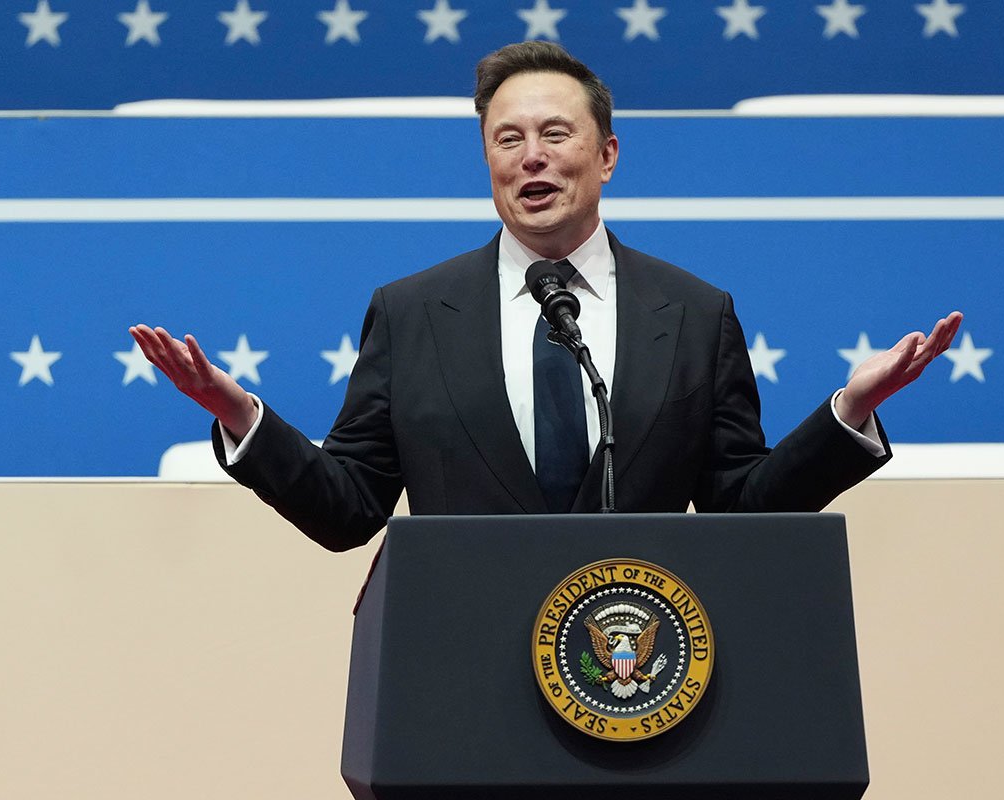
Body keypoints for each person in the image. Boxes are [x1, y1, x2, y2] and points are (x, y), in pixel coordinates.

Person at [129, 42, 961, 553]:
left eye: (555, 134)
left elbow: (741, 507)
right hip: (458, 673)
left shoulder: (694, 314)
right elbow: (348, 510)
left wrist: (848, 414)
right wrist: (242, 417)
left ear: (607, 156)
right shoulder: (413, 313)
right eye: (508, 139)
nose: (531, 157)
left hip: (639, 670)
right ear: (487, 161)